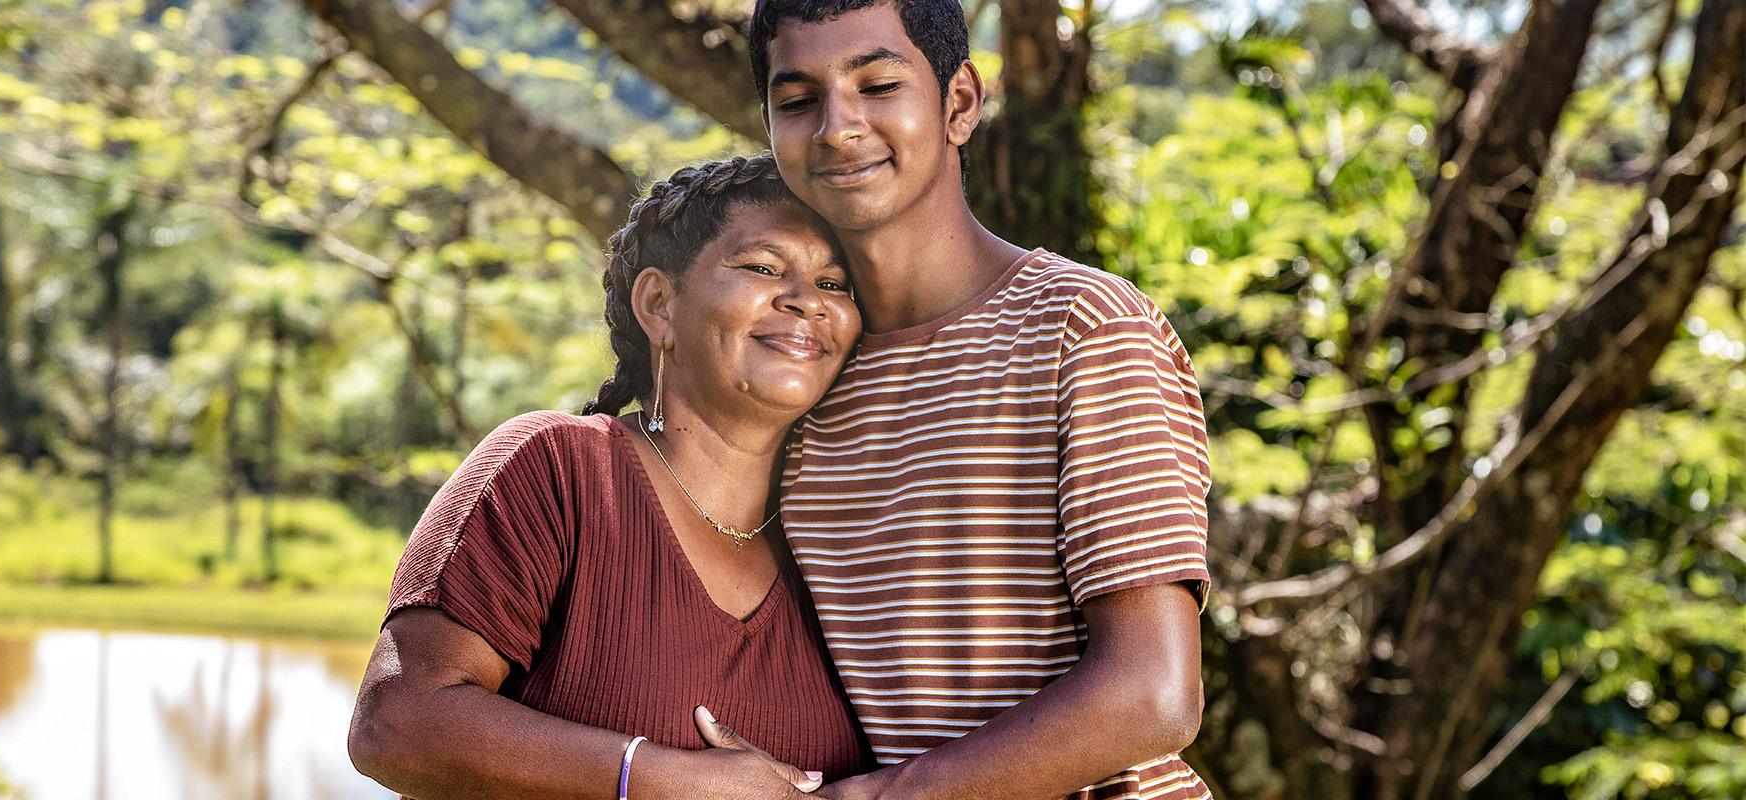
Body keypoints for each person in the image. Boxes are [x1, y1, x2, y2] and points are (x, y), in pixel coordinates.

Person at [700, 2, 1216, 798]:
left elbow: (1154, 695)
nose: (838, 128)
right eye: (798, 101)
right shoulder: (804, 375)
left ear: (960, 103)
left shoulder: (1081, 327)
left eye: (877, 85)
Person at [346, 154, 871, 799]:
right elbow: (397, 723)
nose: (807, 301)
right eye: (763, 267)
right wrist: (660, 781)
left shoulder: (849, 538)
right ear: (659, 304)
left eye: (836, 284)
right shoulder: (557, 468)